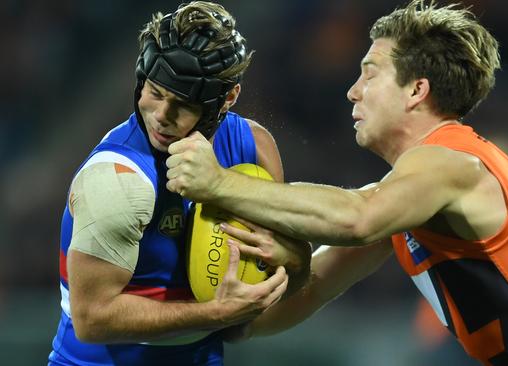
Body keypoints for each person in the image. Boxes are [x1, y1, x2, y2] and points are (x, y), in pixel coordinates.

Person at [166, 0, 508, 364]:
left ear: (417, 90)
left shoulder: (453, 162)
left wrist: (218, 185)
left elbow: (356, 219)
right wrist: (227, 320)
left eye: (369, 74)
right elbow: (311, 286)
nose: (353, 91)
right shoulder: (412, 195)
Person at [48, 2, 311, 365]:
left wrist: (296, 263)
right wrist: (216, 314)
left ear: (228, 97)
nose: (161, 116)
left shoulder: (254, 149)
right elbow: (91, 319)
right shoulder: (115, 181)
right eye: (154, 92)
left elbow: (263, 294)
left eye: (183, 103)